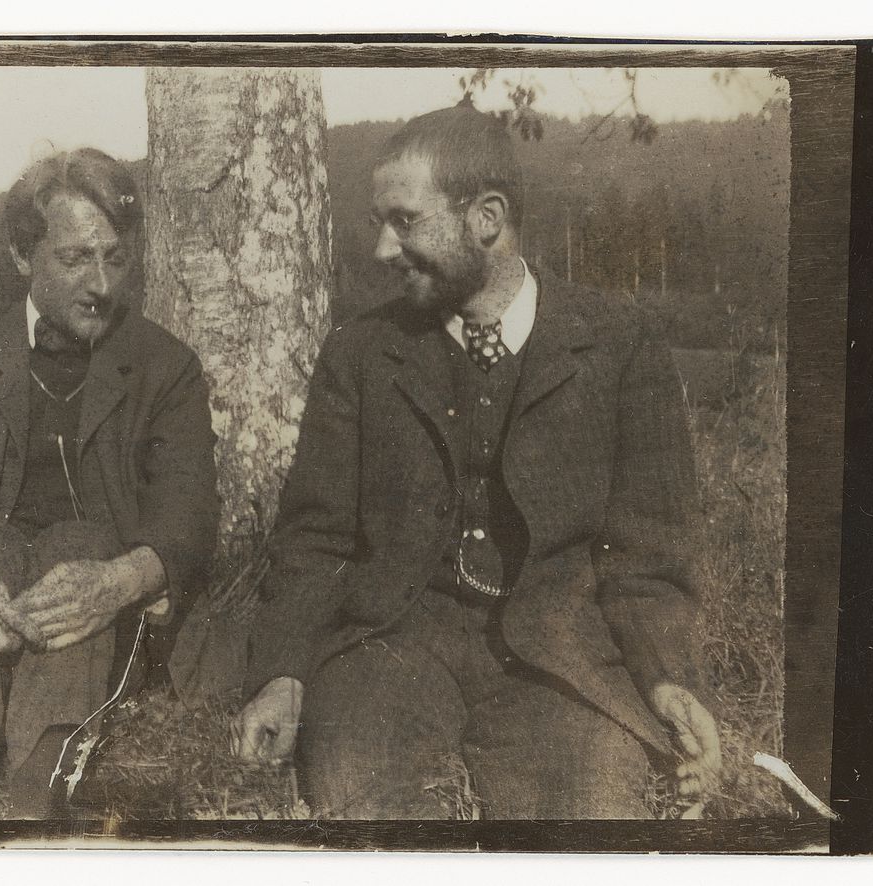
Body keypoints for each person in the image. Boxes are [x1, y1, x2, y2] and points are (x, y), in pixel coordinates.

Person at [236, 106, 722, 819]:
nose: (382, 249)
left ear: (486, 217)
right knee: (354, 792)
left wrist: (667, 679)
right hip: (393, 644)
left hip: (556, 655)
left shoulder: (620, 346)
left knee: (591, 811)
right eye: (380, 222)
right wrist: (281, 671)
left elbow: (649, 556)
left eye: (405, 221)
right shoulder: (361, 353)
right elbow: (314, 539)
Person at [0, 148, 218, 818]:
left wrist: (116, 583)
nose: (102, 283)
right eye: (76, 258)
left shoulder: (165, 367)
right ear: (25, 257)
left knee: (77, 548)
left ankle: (41, 785)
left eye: (115, 256)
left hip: (87, 604)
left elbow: (189, 509)